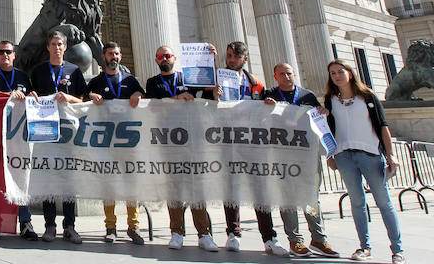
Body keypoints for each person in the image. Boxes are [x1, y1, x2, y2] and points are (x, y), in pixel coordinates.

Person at [324, 59, 404, 263]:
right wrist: (330, 155)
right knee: (357, 202)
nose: (337, 76)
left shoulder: (367, 97)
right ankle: (364, 247)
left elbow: (382, 126)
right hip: (344, 156)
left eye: (340, 71)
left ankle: (398, 250)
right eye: (333, 73)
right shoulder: (330, 100)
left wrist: (391, 154)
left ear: (350, 73)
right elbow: (328, 131)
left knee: (384, 202)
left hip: (370, 154)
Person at [217, 41, 289, 257]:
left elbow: (265, 110)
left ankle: (269, 238)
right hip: (228, 141)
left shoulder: (255, 83)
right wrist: (214, 96)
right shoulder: (218, 79)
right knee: (231, 188)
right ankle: (233, 233)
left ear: (244, 59)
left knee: (260, 190)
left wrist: (267, 103)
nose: (230, 60)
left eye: (235, 57)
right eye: (228, 55)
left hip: (251, 143)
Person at [144, 44, 218, 253]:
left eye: (168, 55)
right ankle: (176, 232)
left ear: (174, 58)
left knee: (196, 187)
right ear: (157, 60)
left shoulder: (189, 79)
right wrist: (176, 99)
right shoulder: (153, 83)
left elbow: (211, 91)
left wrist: (211, 60)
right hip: (168, 140)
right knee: (174, 188)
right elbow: (152, 106)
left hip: (192, 138)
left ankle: (204, 234)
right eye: (161, 56)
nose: (164, 58)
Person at [263, 62, 340, 258]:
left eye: (289, 73)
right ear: (275, 76)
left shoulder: (308, 96)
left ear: (294, 75)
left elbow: (320, 122)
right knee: (287, 197)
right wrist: (265, 108)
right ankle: (295, 240)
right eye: (281, 74)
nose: (286, 77)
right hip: (282, 153)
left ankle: (319, 239)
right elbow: (260, 121)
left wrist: (323, 112)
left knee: (311, 196)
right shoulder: (269, 95)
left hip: (307, 152)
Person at [30, 31, 88, 244]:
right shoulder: (38, 71)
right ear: (48, 47)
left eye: (60, 44)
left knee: (68, 181)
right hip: (45, 133)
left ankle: (70, 226)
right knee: (49, 181)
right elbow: (31, 95)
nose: (56, 47)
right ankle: (50, 226)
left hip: (68, 135)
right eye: (53, 44)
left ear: (65, 47)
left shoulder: (74, 71)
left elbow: (81, 100)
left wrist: (68, 97)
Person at [0, 40, 38, 241]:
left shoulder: (22, 76)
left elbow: (29, 100)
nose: (5, 55)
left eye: (8, 52)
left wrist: (31, 96)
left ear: (14, 55)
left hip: (18, 136)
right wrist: (8, 96)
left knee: (21, 177)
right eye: (1, 52)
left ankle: (26, 222)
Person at [87, 41, 145, 245]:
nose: (114, 57)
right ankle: (110, 227)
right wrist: (91, 95)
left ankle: (134, 226)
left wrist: (138, 94)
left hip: (128, 143)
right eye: (110, 53)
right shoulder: (95, 81)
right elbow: (85, 100)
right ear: (103, 57)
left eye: (117, 54)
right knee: (109, 184)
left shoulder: (130, 80)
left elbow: (142, 96)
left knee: (131, 184)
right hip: (105, 142)